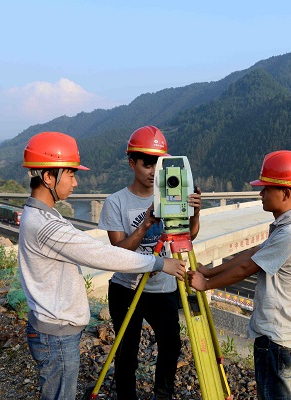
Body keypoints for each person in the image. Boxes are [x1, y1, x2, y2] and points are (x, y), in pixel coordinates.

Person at [18, 131, 186, 400]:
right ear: (49, 177)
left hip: (55, 328)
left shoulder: (42, 216)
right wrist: (157, 261)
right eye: (71, 174)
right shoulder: (46, 225)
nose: (75, 181)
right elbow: (103, 254)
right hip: (57, 332)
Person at [188, 150, 291, 400]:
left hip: (277, 339)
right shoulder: (288, 227)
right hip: (285, 337)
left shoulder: (290, 234)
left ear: (286, 193)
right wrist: (209, 271)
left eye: (266, 188)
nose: (260, 193)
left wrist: (206, 284)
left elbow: (248, 268)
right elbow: (253, 254)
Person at [98, 125, 202, 400]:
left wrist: (195, 214)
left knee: (171, 344)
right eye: (147, 162)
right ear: (132, 162)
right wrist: (144, 225)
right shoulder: (116, 202)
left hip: (163, 289)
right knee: (127, 350)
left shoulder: (171, 195)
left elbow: (187, 237)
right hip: (127, 288)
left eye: (159, 162)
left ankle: (163, 395)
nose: (153, 170)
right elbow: (118, 252)